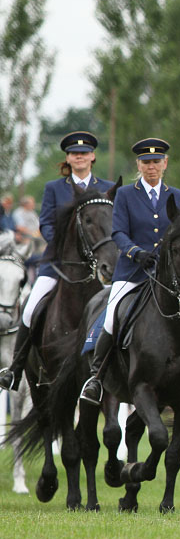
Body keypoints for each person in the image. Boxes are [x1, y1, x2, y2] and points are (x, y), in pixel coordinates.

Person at [78, 138, 180, 404]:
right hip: (132, 272)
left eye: (156, 162)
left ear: (165, 163)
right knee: (111, 315)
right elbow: (117, 232)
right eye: (146, 162)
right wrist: (134, 252)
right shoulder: (127, 194)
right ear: (139, 165)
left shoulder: (177, 196)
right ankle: (96, 376)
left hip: (168, 277)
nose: (151, 167)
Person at [0, 132, 115, 391]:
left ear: (92, 157)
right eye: (75, 153)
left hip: (99, 265)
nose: (80, 157)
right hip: (59, 262)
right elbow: (47, 224)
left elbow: (110, 227)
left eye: (84, 153)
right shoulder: (54, 188)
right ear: (68, 158)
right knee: (30, 307)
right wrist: (66, 248)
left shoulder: (107, 188)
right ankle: (15, 369)